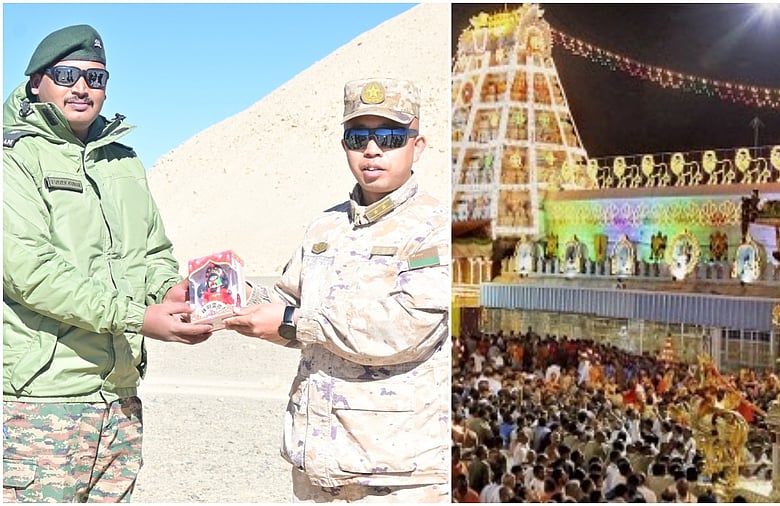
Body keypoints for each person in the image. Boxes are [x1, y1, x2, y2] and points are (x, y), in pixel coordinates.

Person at [3, 25, 213, 502]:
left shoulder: (122, 160)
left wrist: (171, 294)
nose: (82, 88)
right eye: (67, 74)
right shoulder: (13, 159)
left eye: (95, 78)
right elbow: (28, 273)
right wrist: (140, 317)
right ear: (37, 81)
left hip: (119, 396)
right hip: (42, 401)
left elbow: (154, 251)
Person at [224, 78, 449, 502]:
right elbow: (289, 302)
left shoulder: (437, 229)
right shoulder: (326, 227)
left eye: (390, 137)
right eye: (357, 137)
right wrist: (234, 294)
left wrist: (294, 322)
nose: (372, 150)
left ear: (417, 146)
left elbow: (405, 328)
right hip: (320, 466)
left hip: (398, 475)